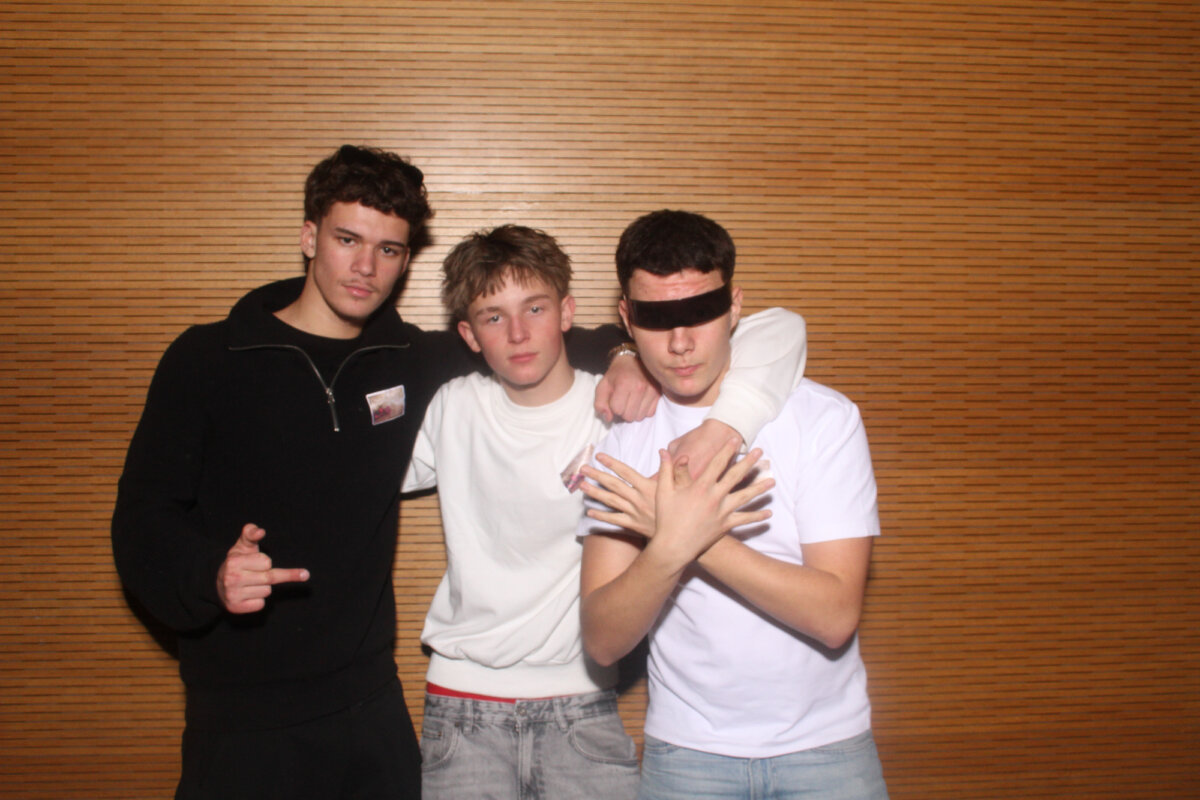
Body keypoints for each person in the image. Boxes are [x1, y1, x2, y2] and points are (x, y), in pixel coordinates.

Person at [110, 145, 647, 800]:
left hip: (371, 710)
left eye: (388, 249)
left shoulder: (409, 360)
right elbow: (143, 519)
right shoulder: (208, 358)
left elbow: (529, 336)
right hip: (243, 714)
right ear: (309, 237)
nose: (366, 267)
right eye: (347, 239)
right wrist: (208, 574)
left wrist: (625, 351)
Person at [401, 224, 808, 799]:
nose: (518, 333)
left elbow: (783, 328)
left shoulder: (622, 410)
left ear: (567, 311)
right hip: (462, 704)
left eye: (535, 308)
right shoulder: (452, 407)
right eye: (493, 317)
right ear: (468, 334)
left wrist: (634, 360)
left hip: (583, 705)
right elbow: (352, 474)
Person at [579, 210, 889, 800]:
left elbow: (834, 616)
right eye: (656, 318)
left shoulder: (825, 419)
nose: (680, 343)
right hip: (686, 755)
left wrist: (683, 535)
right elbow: (602, 639)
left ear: (735, 306)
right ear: (627, 317)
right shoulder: (627, 439)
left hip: (827, 750)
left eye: (700, 312)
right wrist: (671, 547)